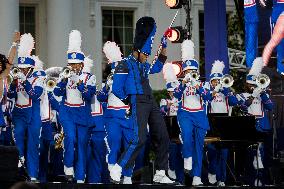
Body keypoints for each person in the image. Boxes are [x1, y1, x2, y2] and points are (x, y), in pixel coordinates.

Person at [110, 16, 174, 184]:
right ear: (136, 51)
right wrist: (128, 101)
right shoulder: (124, 64)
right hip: (137, 100)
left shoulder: (144, 65)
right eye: (145, 54)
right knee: (139, 138)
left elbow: (158, 65)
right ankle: (118, 167)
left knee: (163, 135)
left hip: (150, 100)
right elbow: (116, 88)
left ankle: (160, 172)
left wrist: (164, 46)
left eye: (148, 54)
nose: (147, 57)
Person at [54, 30, 93, 183]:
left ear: (82, 64)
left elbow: (89, 96)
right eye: (71, 64)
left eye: (76, 64)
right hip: (67, 111)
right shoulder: (65, 75)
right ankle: (68, 167)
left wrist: (78, 83)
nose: (73, 67)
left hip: (82, 113)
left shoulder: (89, 77)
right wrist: (63, 81)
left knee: (82, 145)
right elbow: (56, 91)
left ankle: (80, 176)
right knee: (70, 137)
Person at [170, 39, 211, 186]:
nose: (190, 74)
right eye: (187, 72)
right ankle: (187, 157)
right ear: (184, 72)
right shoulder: (180, 84)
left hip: (200, 115)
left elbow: (208, 97)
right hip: (185, 114)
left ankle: (197, 177)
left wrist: (197, 85)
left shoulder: (203, 84)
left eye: (192, 72)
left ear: (196, 72)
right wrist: (183, 83)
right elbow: (175, 96)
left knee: (199, 147)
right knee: (186, 136)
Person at [8, 33, 45, 181]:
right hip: (19, 113)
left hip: (33, 115)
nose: (22, 71)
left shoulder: (39, 79)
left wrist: (25, 82)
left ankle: (33, 175)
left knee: (33, 145)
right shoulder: (17, 78)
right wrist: (13, 83)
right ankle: (18, 173)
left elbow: (35, 95)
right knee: (18, 143)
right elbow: (10, 95)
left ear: (30, 68)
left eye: (24, 69)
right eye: (20, 68)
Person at [237, 57, 273, 186]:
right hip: (249, 127)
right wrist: (253, 95)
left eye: (255, 85)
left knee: (263, 154)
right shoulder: (242, 95)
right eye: (251, 85)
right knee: (250, 154)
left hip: (263, 127)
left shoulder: (263, 94)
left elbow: (270, 107)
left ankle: (263, 179)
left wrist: (262, 94)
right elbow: (243, 106)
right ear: (247, 84)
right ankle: (249, 179)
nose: (253, 87)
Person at [102, 41, 135, 184]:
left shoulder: (129, 79)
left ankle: (128, 176)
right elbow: (100, 98)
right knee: (114, 143)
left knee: (129, 146)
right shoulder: (109, 80)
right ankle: (112, 170)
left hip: (126, 115)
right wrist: (106, 87)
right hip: (112, 116)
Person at [204, 60, 238, 187]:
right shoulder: (208, 93)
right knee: (212, 152)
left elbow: (234, 103)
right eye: (214, 81)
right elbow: (206, 101)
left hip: (225, 125)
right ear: (211, 82)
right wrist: (214, 92)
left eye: (219, 80)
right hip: (212, 124)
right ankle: (212, 170)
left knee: (224, 153)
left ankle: (222, 179)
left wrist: (226, 92)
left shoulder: (227, 92)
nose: (217, 82)